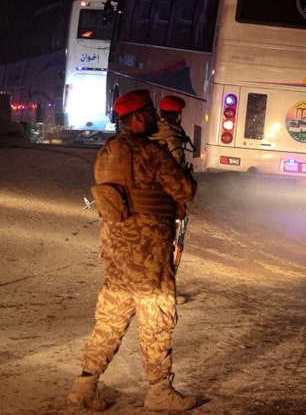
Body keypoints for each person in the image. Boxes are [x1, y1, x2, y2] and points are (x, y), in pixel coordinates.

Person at [68, 89, 198, 412]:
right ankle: (159, 391)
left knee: (110, 319)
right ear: (137, 118)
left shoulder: (107, 152)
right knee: (157, 320)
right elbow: (183, 189)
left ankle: (85, 385)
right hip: (148, 253)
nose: (156, 117)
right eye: (151, 112)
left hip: (115, 252)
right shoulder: (150, 154)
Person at [150, 95, 194, 304]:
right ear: (179, 115)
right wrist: (181, 200)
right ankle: (163, 293)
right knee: (169, 246)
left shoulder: (149, 133)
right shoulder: (172, 137)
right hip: (165, 202)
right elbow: (176, 173)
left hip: (144, 199)